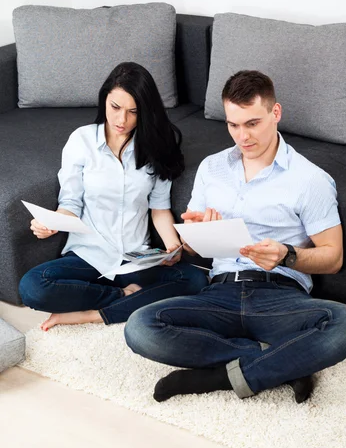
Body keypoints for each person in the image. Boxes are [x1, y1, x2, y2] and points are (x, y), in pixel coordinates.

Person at [124, 70, 346, 404]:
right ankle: (283, 363)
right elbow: (194, 249)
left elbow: (333, 257)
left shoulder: (311, 179)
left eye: (252, 123)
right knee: (140, 326)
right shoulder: (212, 168)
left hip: (280, 298)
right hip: (219, 292)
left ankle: (216, 378)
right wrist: (198, 232)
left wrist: (287, 255)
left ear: (275, 113)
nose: (242, 136)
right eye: (233, 125)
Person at [19, 62, 208, 331]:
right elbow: (70, 202)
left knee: (196, 281)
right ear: (104, 99)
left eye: (133, 112)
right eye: (115, 108)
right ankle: (121, 298)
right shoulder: (81, 141)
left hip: (136, 259)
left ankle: (91, 314)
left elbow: (159, 208)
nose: (122, 120)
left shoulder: (156, 148)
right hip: (88, 256)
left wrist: (171, 245)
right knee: (33, 287)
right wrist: (51, 224)